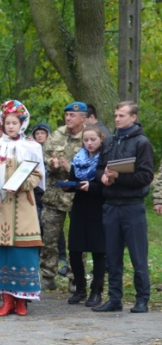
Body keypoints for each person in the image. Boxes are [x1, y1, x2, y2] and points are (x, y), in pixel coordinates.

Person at [0, 100, 44, 317]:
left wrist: (21, 185)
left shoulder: (32, 147)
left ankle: (22, 301)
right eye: (7, 123)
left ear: (22, 124)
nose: (10, 126)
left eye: (15, 123)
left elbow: (37, 175)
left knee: (21, 254)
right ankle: (6, 300)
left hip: (22, 206)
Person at [93, 101, 154, 314]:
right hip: (111, 205)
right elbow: (99, 168)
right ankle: (114, 298)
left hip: (132, 206)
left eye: (122, 115)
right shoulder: (109, 141)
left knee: (138, 256)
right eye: (116, 115)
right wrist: (104, 178)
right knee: (112, 255)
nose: (117, 119)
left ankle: (142, 299)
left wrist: (119, 177)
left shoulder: (142, 143)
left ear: (133, 117)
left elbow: (146, 176)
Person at [39, 102, 87, 290]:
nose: (68, 118)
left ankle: (75, 277)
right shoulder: (56, 135)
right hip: (55, 195)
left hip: (78, 196)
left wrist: (71, 169)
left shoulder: (90, 137)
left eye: (72, 115)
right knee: (49, 238)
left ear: (83, 118)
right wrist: (52, 165)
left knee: (77, 239)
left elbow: (95, 164)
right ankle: (48, 275)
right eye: (66, 114)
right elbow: (44, 158)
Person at [61, 126, 107, 307]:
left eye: (93, 140)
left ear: (101, 139)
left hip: (98, 207)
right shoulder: (79, 158)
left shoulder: (105, 159)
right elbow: (74, 180)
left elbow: (109, 187)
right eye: (86, 140)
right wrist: (68, 186)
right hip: (80, 207)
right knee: (75, 250)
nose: (89, 143)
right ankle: (80, 288)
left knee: (98, 251)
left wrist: (92, 187)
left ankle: (97, 291)